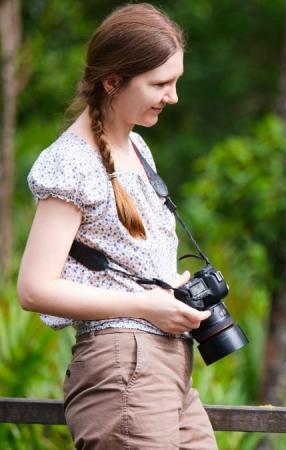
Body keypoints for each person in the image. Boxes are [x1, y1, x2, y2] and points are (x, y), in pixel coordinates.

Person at [16, 4, 217, 449]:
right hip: (123, 366)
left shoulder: (138, 148)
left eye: (175, 82)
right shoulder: (71, 163)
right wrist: (146, 305)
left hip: (167, 366)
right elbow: (34, 288)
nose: (173, 96)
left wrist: (166, 291)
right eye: (160, 84)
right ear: (113, 81)